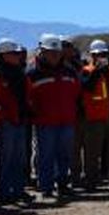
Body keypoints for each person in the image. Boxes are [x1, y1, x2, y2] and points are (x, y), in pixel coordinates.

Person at [28, 34, 80, 199]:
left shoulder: (69, 71)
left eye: (57, 52)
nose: (54, 55)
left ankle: (63, 184)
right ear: (42, 52)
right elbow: (29, 98)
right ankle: (46, 187)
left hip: (66, 120)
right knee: (46, 155)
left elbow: (77, 93)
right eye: (50, 52)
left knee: (64, 154)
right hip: (45, 122)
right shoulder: (33, 73)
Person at [78, 40, 109, 190]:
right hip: (95, 118)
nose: (101, 57)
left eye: (104, 54)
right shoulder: (86, 70)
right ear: (92, 55)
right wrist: (98, 71)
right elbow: (86, 88)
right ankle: (91, 181)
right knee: (93, 152)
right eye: (98, 54)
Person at [0, 38, 33, 204]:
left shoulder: (20, 73)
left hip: (20, 120)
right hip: (6, 122)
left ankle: (18, 190)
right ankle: (4, 191)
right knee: (5, 158)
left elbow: (27, 94)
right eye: (14, 53)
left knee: (20, 158)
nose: (18, 56)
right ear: (4, 55)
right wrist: (1, 116)